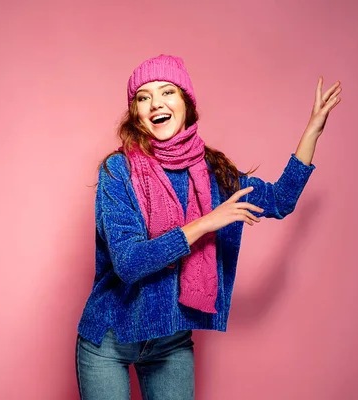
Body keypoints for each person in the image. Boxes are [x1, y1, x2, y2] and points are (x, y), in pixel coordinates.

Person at [75, 54, 341, 400]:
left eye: (168, 91)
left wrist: (312, 131)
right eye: (144, 97)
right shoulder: (117, 171)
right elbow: (128, 262)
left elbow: (279, 201)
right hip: (109, 339)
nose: (156, 103)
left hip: (170, 340)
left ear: (186, 101)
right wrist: (205, 223)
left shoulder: (213, 173)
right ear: (136, 112)